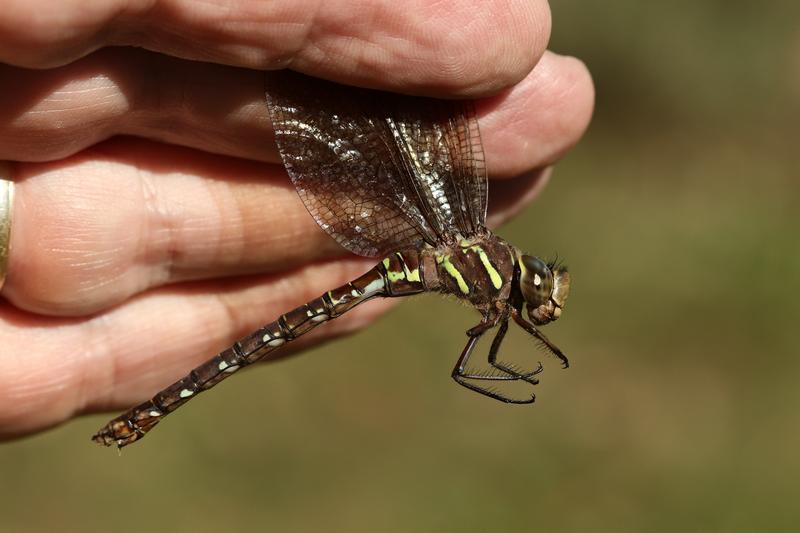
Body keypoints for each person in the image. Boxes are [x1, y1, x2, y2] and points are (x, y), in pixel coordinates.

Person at [0, 0, 594, 441]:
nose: (540, 292)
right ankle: (148, 413)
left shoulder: (481, 264)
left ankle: (145, 414)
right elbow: (478, 364)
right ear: (517, 277)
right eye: (539, 284)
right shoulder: (476, 252)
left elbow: (479, 361)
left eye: (539, 286)